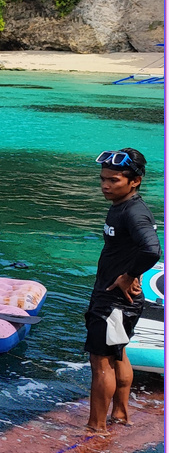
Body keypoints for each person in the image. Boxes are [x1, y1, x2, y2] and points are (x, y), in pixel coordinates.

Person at [84, 148, 161, 435]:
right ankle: (121, 413)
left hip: (114, 298)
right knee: (119, 353)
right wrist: (134, 273)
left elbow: (152, 249)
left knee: (100, 361)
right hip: (117, 297)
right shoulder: (122, 205)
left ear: (135, 181)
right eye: (103, 179)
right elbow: (136, 249)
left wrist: (129, 276)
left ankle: (96, 426)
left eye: (114, 180)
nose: (105, 185)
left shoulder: (134, 212)